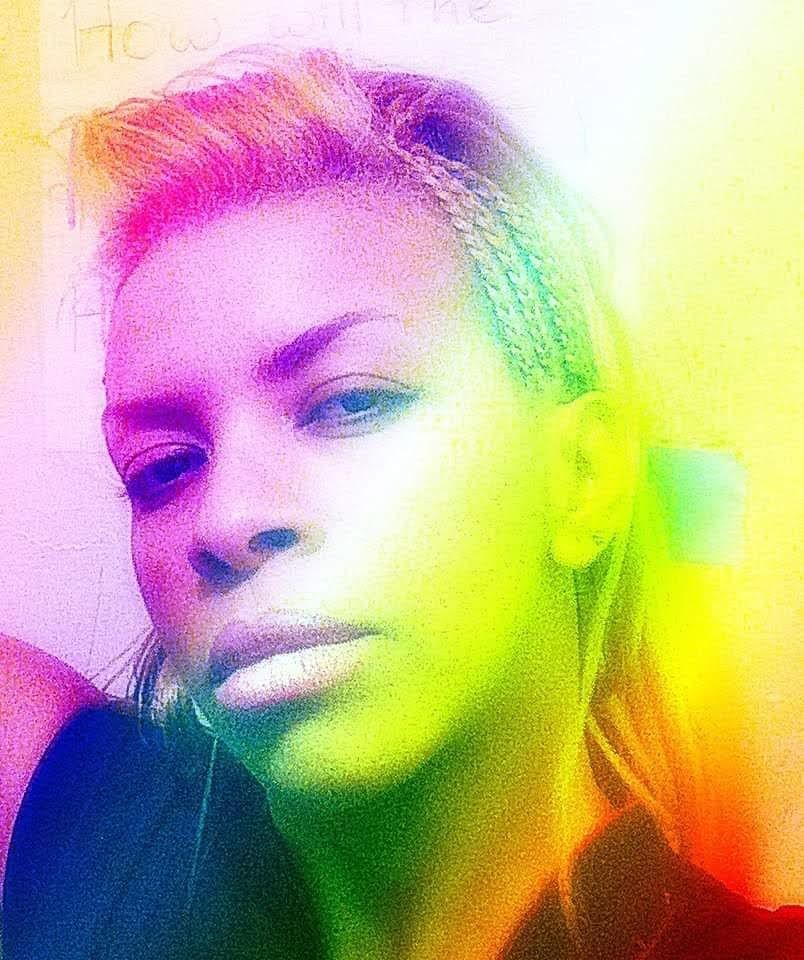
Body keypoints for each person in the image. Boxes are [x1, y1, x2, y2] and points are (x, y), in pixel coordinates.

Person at [1, 45, 801, 960]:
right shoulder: (91, 844)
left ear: (583, 478)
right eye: (164, 468)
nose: (225, 520)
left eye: (350, 403)